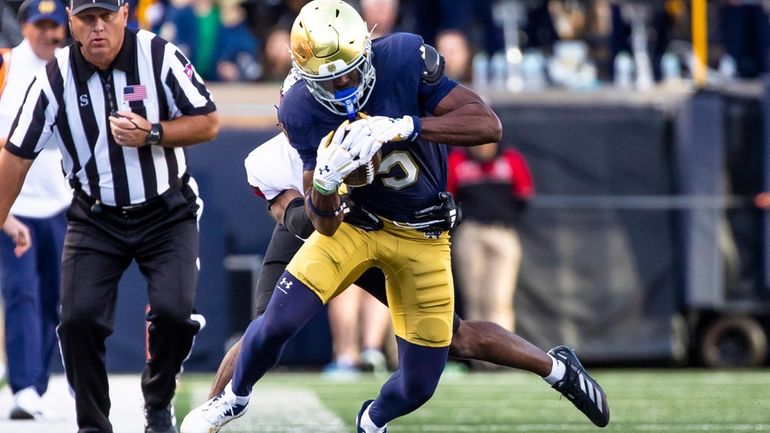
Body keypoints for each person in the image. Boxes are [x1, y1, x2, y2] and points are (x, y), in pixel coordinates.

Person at [181, 1, 608, 432]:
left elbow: (488, 126)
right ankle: (228, 402)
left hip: (417, 230)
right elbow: (303, 222)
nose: (342, 88)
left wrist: (407, 126)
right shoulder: (287, 133)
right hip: (345, 227)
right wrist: (328, 187)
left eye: (346, 73)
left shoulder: (401, 59)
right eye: (323, 84)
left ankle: (379, 417)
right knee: (273, 320)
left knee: (431, 367)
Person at [0, 0, 219, 431]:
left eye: (105, 16)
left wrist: (153, 133)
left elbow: (209, 122)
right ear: (71, 21)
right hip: (95, 215)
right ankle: (93, 426)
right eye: (86, 18)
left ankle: (158, 400)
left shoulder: (158, 55)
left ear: (124, 14)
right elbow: (15, 156)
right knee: (77, 320)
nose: (97, 28)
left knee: (175, 314)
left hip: (166, 210)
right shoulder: (53, 78)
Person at [0, 0, 69, 420]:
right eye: (40, 25)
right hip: (16, 205)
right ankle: (24, 386)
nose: (48, 34)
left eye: (54, 26)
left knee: (57, 302)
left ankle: (38, 384)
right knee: (20, 292)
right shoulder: (6, 67)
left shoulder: (71, 68)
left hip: (61, 203)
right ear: (24, 26)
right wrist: (3, 213)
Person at [448, 142, 533, 333]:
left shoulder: (511, 159)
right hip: (470, 232)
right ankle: (480, 355)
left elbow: (524, 193)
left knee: (499, 298)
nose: (482, 146)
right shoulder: (458, 160)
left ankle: (503, 353)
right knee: (473, 297)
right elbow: (449, 195)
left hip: (502, 232)